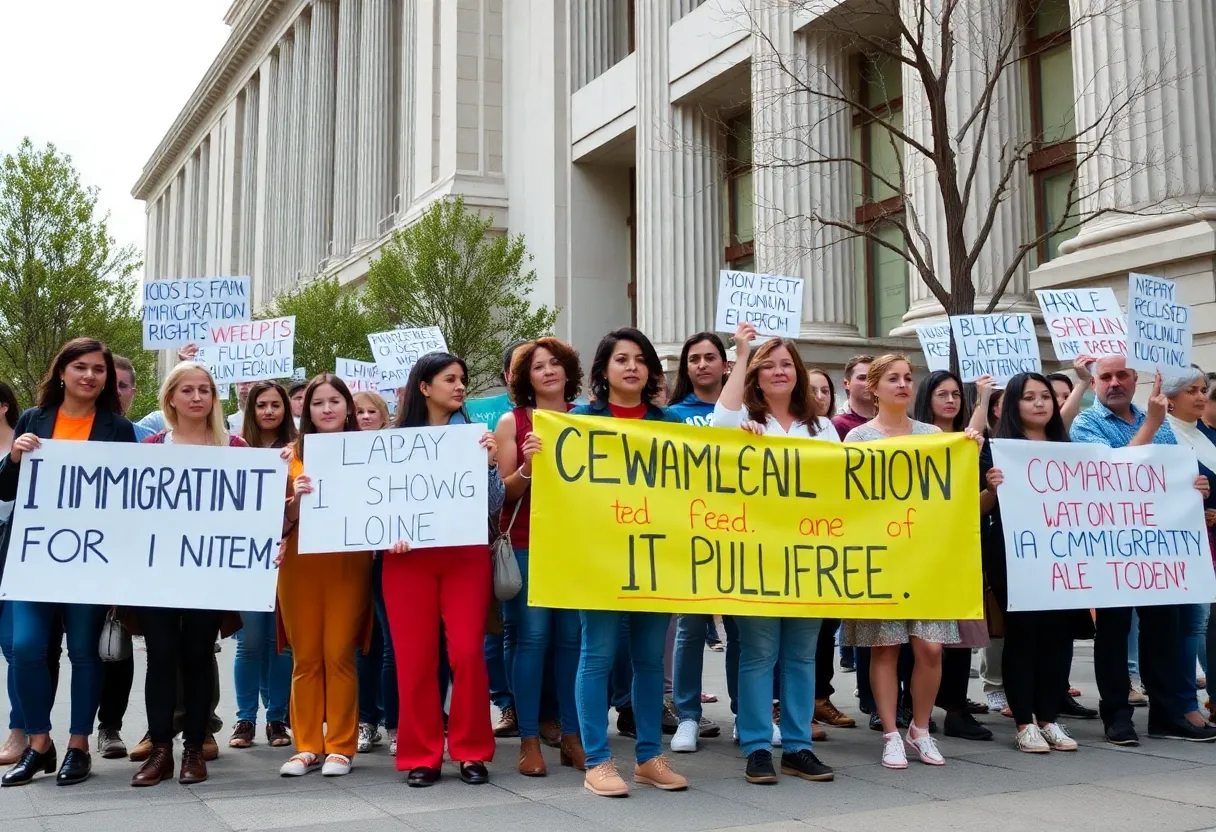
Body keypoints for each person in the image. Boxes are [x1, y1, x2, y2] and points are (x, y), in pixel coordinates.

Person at [545, 327, 688, 797]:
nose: (632, 367)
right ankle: (598, 761)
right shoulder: (579, 422)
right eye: (621, 359)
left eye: (640, 359)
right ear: (604, 371)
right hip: (599, 560)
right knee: (598, 656)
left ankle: (648, 757)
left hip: (654, 557)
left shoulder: (670, 424)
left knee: (648, 660)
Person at [0, 338, 136, 786]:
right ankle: (39, 743)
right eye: (80, 367)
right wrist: (14, 458)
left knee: (83, 651)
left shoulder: (118, 428)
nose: (89, 376)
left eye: (98, 369)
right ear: (62, 371)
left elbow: (131, 500)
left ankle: (79, 745)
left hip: (90, 560)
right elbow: (5, 489)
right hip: (35, 557)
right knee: (25, 647)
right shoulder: (33, 419)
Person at [714, 322, 837, 785]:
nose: (780, 371)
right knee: (759, 653)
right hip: (756, 557)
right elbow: (718, 426)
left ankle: (799, 747)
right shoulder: (744, 421)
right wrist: (743, 351)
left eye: (787, 364)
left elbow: (843, 484)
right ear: (756, 375)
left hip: (809, 557)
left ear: (799, 373)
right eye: (769, 365)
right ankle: (757, 747)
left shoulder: (822, 427)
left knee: (802, 656)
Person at [1069, 355, 1216, 744]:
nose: (1115, 382)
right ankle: (1117, 715)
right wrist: (1150, 424)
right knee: (1114, 631)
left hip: (1156, 547)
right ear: (1094, 383)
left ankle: (1166, 715)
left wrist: (1193, 486)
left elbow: (1166, 473)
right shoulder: (1086, 424)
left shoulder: (1159, 423)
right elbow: (1111, 476)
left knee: (1162, 629)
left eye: (1123, 375)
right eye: (1106, 376)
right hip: (1112, 546)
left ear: (1136, 379)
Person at [842, 355, 973, 770]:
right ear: (874, 388)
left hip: (927, 558)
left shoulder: (933, 435)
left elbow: (949, 492)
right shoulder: (858, 438)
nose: (902, 384)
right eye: (892, 379)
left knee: (931, 648)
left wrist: (968, 450)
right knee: (885, 649)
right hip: (882, 557)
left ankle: (920, 728)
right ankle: (890, 733)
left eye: (907, 378)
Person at [381, 353, 504, 787]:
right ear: (424, 387)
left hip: (464, 557)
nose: (460, 386)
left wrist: (490, 468)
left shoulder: (475, 438)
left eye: (462, 379)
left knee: (468, 654)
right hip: (407, 561)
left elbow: (493, 505)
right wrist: (387, 536)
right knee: (414, 660)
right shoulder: (389, 442)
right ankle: (422, 754)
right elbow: (374, 506)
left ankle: (471, 750)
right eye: (450, 379)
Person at [130, 362, 244, 786]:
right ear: (171, 398)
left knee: (198, 656)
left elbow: (253, 507)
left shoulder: (234, 447)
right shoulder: (151, 448)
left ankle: (194, 747)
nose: (197, 397)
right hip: (157, 572)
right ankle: (161, 749)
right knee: (160, 658)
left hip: (208, 571)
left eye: (205, 390)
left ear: (214, 398)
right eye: (188, 390)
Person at [496, 337, 586, 776]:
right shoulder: (511, 423)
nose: (548, 371)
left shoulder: (587, 419)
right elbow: (503, 493)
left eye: (554, 363)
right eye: (537, 366)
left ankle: (572, 736)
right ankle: (529, 739)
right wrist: (528, 468)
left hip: (575, 544)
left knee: (571, 640)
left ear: (568, 371)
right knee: (531, 638)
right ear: (525, 379)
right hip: (527, 542)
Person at [981, 373, 1083, 753]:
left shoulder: (1066, 448)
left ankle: (1049, 719)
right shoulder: (996, 449)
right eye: (1029, 397)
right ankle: (1025, 722)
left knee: (1058, 635)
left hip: (1061, 553)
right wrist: (991, 488)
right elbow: (977, 508)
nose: (1040, 403)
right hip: (1014, 555)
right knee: (1024, 634)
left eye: (1046, 396)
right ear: (1013, 404)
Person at [278, 375, 374, 777]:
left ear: (347, 406)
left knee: (338, 653)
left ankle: (340, 746)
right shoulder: (289, 456)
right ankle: (306, 746)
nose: (327, 409)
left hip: (348, 563)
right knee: (305, 657)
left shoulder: (371, 452)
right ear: (306, 409)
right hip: (299, 564)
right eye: (318, 402)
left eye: (335, 400)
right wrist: (295, 499)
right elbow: (279, 523)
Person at [911, 370, 993, 744]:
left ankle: (956, 710)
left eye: (957, 395)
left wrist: (983, 398)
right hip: (918, 548)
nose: (950, 401)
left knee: (960, 634)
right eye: (942, 394)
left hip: (961, 548)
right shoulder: (913, 440)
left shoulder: (969, 443)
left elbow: (974, 505)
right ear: (926, 398)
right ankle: (912, 708)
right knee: (917, 637)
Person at [664, 332, 730, 752]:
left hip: (742, 532)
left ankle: (750, 714)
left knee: (742, 628)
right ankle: (687, 714)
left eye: (709, 357)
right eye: (694, 359)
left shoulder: (746, 412)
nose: (702, 364)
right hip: (690, 535)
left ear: (726, 364)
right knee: (689, 627)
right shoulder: (672, 416)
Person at [229, 382, 297, 750]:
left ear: (286, 409)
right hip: (247, 558)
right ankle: (245, 719)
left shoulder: (299, 450)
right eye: (261, 405)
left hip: (288, 556)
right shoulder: (236, 449)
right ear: (250, 410)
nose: (268, 411)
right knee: (250, 641)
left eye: (275, 405)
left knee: (281, 644)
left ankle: (277, 718)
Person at [1159, 367, 1216, 720]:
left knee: (1207, 623)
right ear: (1171, 397)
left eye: (1203, 389)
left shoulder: (1207, 435)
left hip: (1209, 540)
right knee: (1191, 623)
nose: (1200, 396)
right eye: (1191, 390)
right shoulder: (1163, 433)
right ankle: (1183, 704)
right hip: (1179, 545)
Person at [351, 390, 399, 755]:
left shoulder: (399, 452)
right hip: (350, 562)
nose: (366, 417)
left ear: (385, 416)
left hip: (387, 560)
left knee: (388, 645)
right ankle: (366, 721)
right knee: (363, 646)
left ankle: (395, 724)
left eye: (372, 411)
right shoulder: (336, 452)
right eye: (359, 412)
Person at [831, 355, 875, 437]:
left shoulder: (893, 420)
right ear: (846, 383)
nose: (869, 384)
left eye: (873, 378)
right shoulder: (835, 424)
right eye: (862, 378)